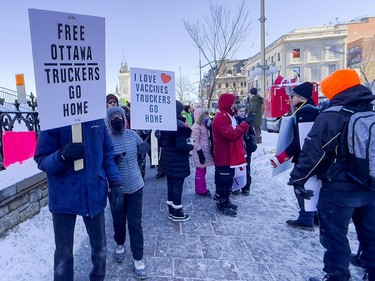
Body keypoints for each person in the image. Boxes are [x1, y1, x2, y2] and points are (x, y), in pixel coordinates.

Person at [289, 70, 375, 281]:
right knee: (370, 233)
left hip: (340, 187)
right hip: (371, 186)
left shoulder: (333, 115)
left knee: (335, 235)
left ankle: (337, 275)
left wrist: (298, 178)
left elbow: (314, 151)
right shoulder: (370, 111)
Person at [34, 120, 122, 281]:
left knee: (100, 248)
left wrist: (115, 182)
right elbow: (42, 160)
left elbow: (108, 155)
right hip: (63, 196)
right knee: (64, 253)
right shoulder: (53, 118)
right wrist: (62, 156)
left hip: (94, 194)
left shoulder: (96, 120)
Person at [106, 106, 150, 279]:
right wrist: (112, 160)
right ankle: (119, 244)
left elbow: (142, 149)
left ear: (125, 118)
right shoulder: (107, 139)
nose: (118, 120)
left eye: (120, 117)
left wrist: (152, 140)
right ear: (109, 121)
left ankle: (138, 258)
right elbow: (103, 162)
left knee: (135, 222)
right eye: (114, 118)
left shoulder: (132, 135)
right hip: (116, 189)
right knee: (118, 219)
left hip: (136, 187)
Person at [270, 81, 320, 231]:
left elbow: (301, 140)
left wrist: (281, 157)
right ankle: (313, 215)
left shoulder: (306, 112)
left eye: (294, 96)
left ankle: (306, 218)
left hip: (307, 157)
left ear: (302, 98)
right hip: (312, 156)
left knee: (299, 182)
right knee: (310, 183)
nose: (291, 98)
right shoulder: (309, 109)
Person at [212, 93, 254, 217]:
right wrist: (245, 124)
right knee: (223, 180)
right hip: (223, 155)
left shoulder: (227, 116)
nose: (234, 105)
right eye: (233, 103)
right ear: (227, 104)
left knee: (229, 179)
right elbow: (231, 135)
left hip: (229, 154)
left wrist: (245, 121)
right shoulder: (220, 117)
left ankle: (226, 200)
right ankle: (222, 203)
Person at [159, 100, 194, 222]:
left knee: (170, 184)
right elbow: (181, 146)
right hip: (178, 162)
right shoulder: (179, 125)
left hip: (168, 161)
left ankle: (171, 210)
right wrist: (191, 146)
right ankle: (177, 212)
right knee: (177, 186)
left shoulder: (165, 124)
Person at [234, 104, 257, 196]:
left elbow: (252, 133)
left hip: (247, 148)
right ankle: (236, 186)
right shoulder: (234, 121)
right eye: (240, 111)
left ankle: (246, 187)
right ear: (236, 112)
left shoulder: (248, 121)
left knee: (247, 167)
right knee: (237, 168)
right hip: (238, 147)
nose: (243, 113)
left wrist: (250, 138)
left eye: (244, 111)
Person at [191, 107, 215, 196]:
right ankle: (200, 190)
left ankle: (202, 188)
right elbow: (195, 141)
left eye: (207, 114)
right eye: (204, 115)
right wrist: (200, 153)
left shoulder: (203, 125)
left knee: (202, 171)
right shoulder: (196, 126)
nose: (206, 116)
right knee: (200, 171)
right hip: (200, 151)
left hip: (204, 150)